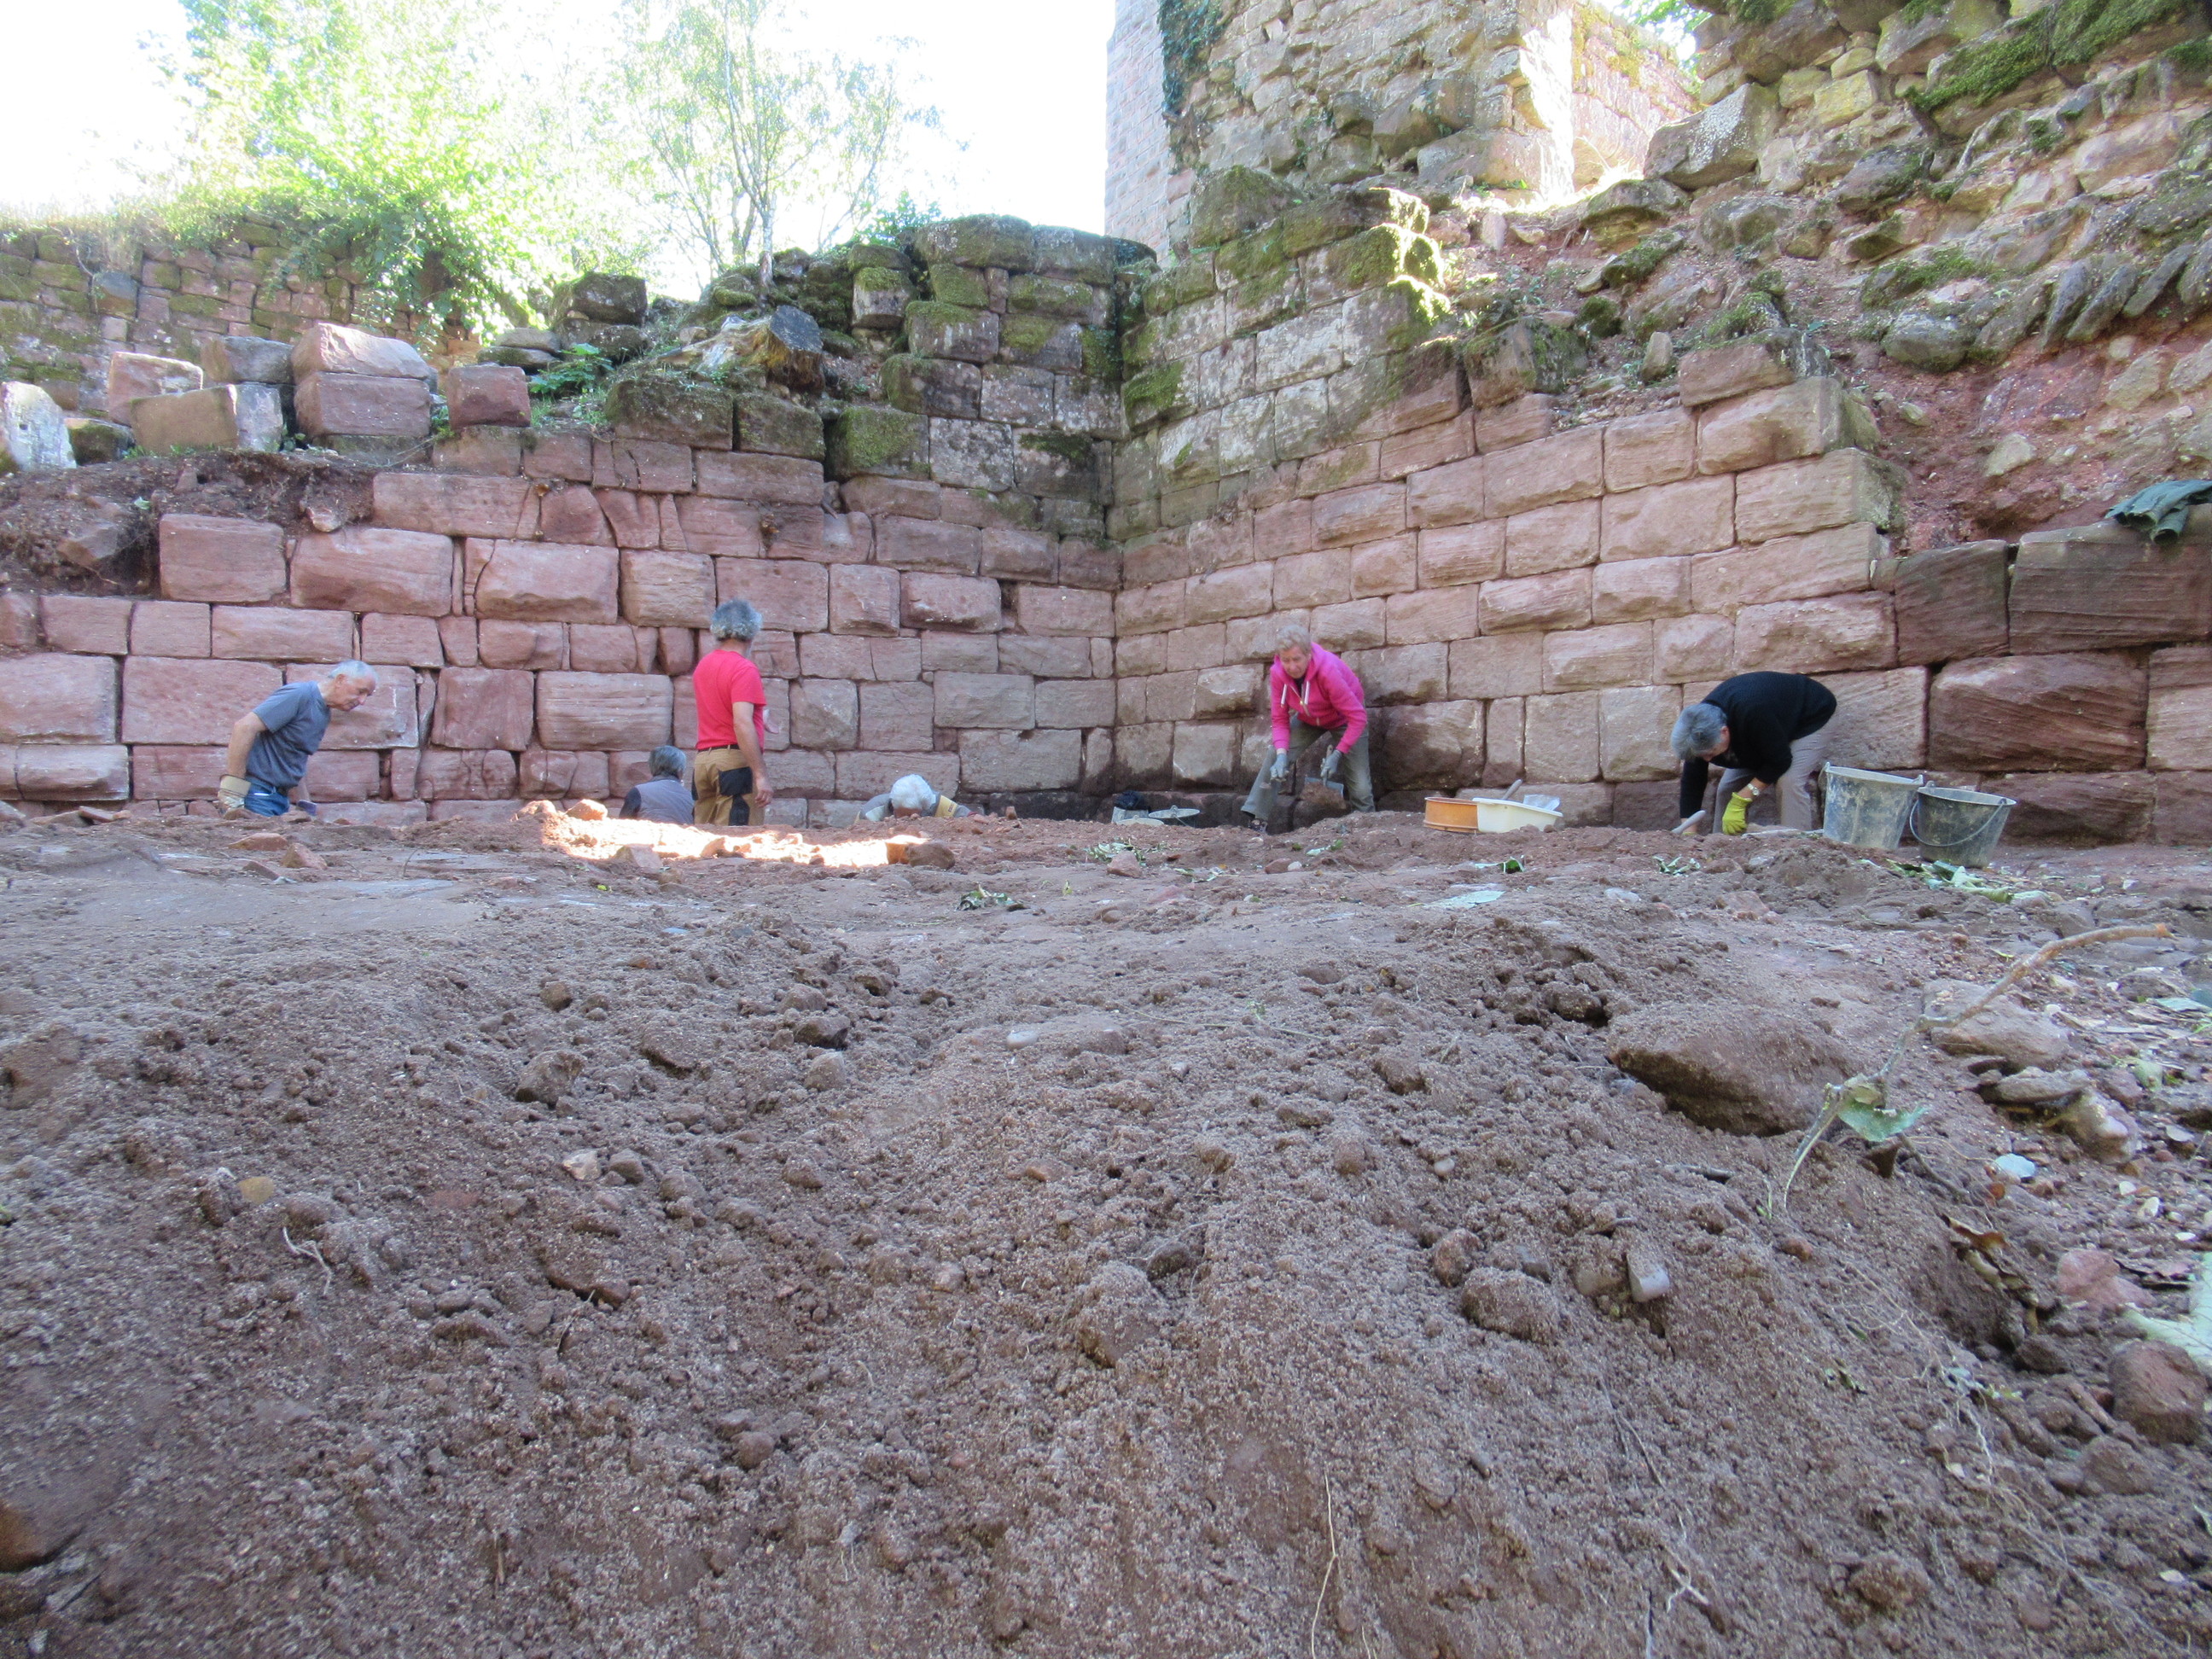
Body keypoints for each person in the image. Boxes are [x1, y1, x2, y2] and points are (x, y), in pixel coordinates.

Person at [1671, 671, 1837, 835]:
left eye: (1711, 752)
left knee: (1789, 781)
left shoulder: (1751, 712)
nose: (1707, 759)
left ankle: (1796, 844)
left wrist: (1742, 799)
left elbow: (1780, 761)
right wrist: (1688, 833)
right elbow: (1692, 783)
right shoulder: (1698, 731)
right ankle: (1722, 847)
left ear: (1724, 732)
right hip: (1767, 729)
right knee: (1727, 789)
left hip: (1811, 716)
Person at [1242, 623, 1373, 830]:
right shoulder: (1278, 674)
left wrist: (1338, 754)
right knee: (1275, 756)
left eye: (1297, 659)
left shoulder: (1328, 671)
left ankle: (1366, 829)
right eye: (1286, 660)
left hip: (1345, 718)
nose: (1292, 667)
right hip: (1309, 717)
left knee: (1361, 785)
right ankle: (1257, 819)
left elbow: (1358, 718)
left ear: (1308, 655)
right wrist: (1282, 755)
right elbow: (1279, 719)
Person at [217, 661, 379, 818]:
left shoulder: (323, 712)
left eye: (367, 696)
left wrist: (306, 804)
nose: (362, 701)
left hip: (278, 799)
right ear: (340, 680)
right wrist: (233, 792)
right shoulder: (299, 695)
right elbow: (244, 727)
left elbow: (296, 755)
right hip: (256, 795)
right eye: (360, 691)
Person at [693, 598, 772, 827]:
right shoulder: (744, 668)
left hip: (703, 761)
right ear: (752, 632)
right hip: (733, 763)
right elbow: (741, 723)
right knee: (737, 837)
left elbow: (720, 710)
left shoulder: (704, 665)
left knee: (702, 837)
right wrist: (761, 775)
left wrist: (759, 718)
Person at [621, 745, 695, 824]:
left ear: (652, 766)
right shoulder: (692, 798)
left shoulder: (638, 792)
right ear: (681, 770)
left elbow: (622, 825)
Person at [857, 772, 970, 824]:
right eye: (904, 815)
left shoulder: (936, 802)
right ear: (894, 807)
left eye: (918, 814)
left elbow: (968, 818)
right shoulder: (871, 813)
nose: (911, 819)